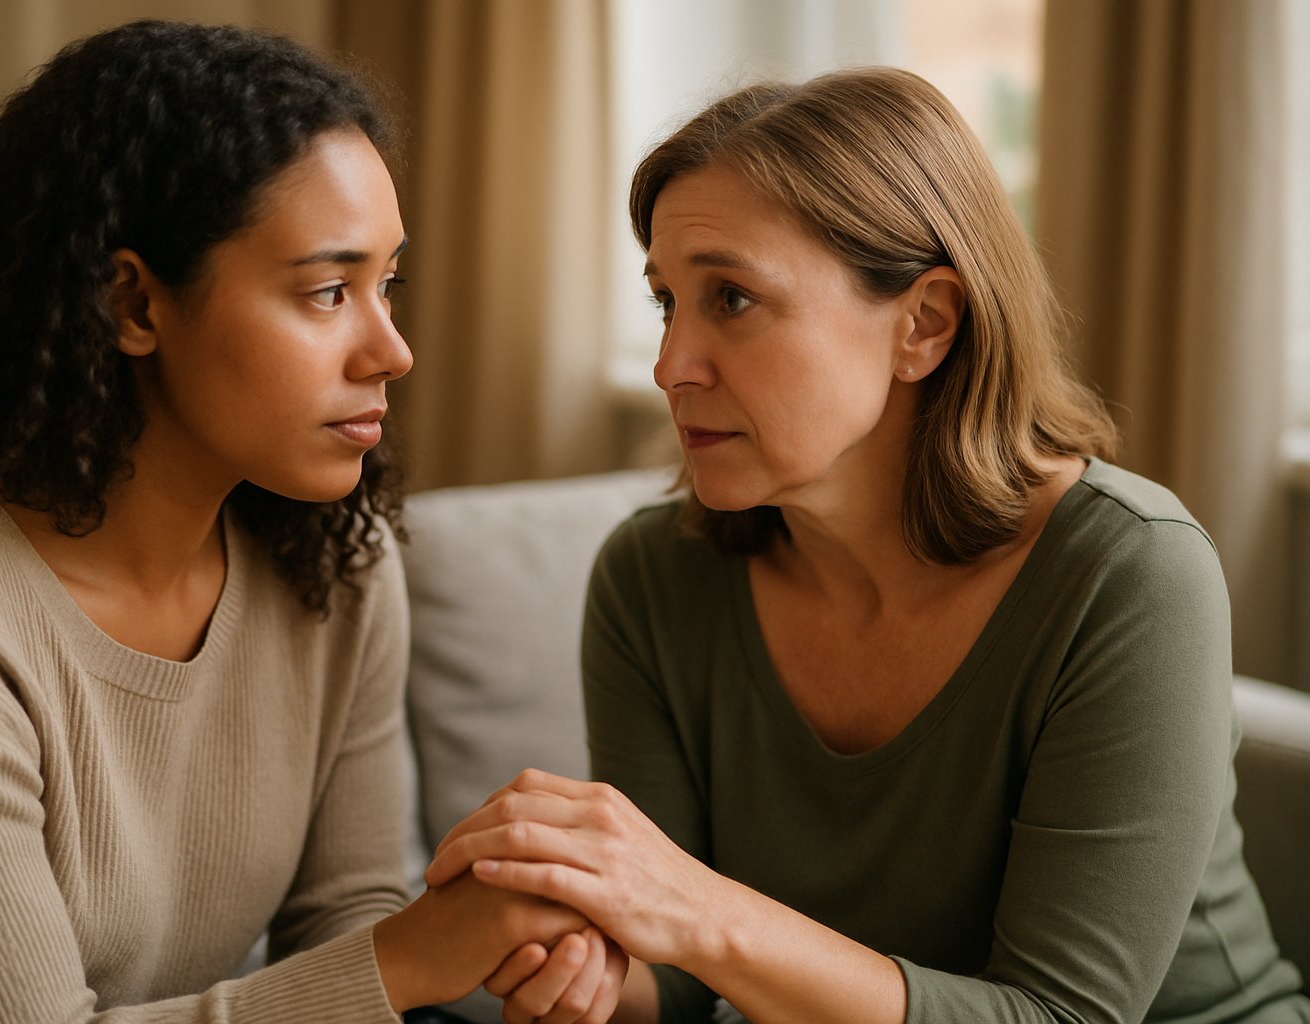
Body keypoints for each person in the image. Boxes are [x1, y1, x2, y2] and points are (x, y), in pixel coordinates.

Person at [0, 21, 623, 1024]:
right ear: (133, 303)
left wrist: (509, 956)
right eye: (327, 291)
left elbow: (345, 923)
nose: (390, 349)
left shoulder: (337, 567)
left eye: (386, 284)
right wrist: (414, 959)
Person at [424, 68, 1310, 1023]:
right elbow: (680, 985)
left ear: (923, 325)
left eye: (732, 299)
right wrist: (588, 973)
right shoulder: (653, 577)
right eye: (666, 302)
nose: (671, 365)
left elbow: (1063, 1015)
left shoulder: (1131, 573)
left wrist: (694, 912)